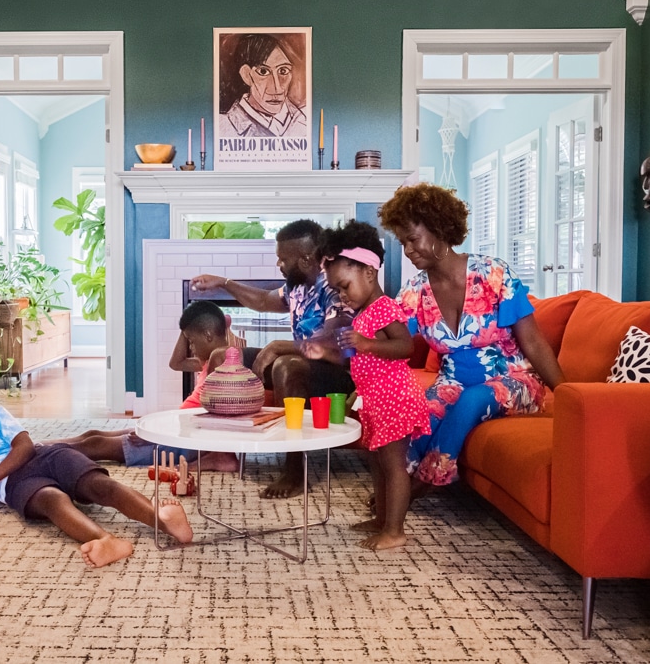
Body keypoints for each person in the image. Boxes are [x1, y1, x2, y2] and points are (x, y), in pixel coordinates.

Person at [378, 183, 565, 493]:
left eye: (412, 239)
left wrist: (567, 393)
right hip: (451, 383)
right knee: (415, 420)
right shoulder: (413, 292)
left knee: (472, 399)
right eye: (402, 243)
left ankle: (418, 488)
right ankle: (394, 489)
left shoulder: (494, 274)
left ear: (439, 228)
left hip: (514, 381)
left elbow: (532, 341)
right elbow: (390, 338)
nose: (408, 251)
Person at [0, 382, 193, 568]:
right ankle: (106, 541)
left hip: (41, 456)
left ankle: (163, 521)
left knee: (99, 485)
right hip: (15, 484)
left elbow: (24, 447)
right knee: (53, 501)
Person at [190, 219, 355, 498]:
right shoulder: (298, 284)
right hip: (302, 363)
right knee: (222, 356)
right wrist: (224, 282)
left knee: (286, 365)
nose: (279, 265)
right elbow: (266, 300)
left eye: (283, 260)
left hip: (336, 373)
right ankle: (222, 454)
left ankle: (293, 470)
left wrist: (280, 345)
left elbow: (332, 342)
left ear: (305, 259)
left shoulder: (334, 285)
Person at [321, 220, 431, 551]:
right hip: (376, 399)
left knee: (394, 466)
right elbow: (363, 362)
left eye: (344, 285)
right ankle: (383, 519)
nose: (342, 295)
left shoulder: (384, 308)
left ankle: (395, 531)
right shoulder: (365, 311)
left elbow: (404, 347)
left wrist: (366, 344)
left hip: (395, 398)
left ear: (369, 272)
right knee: (379, 464)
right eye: (337, 290)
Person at [49, 301, 240, 473]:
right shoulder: (210, 359)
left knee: (95, 444)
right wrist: (187, 326)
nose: (191, 347)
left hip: (183, 439)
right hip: (178, 429)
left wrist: (160, 431)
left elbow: (214, 413)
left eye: (191, 341)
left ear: (207, 334)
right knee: (93, 435)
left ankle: (39, 453)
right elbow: (176, 363)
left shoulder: (220, 356)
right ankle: (37, 447)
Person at [217, 33, 308, 139]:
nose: (277, 88)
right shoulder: (224, 126)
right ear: (247, 75)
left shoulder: (303, 120)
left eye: (283, 71)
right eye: (263, 71)